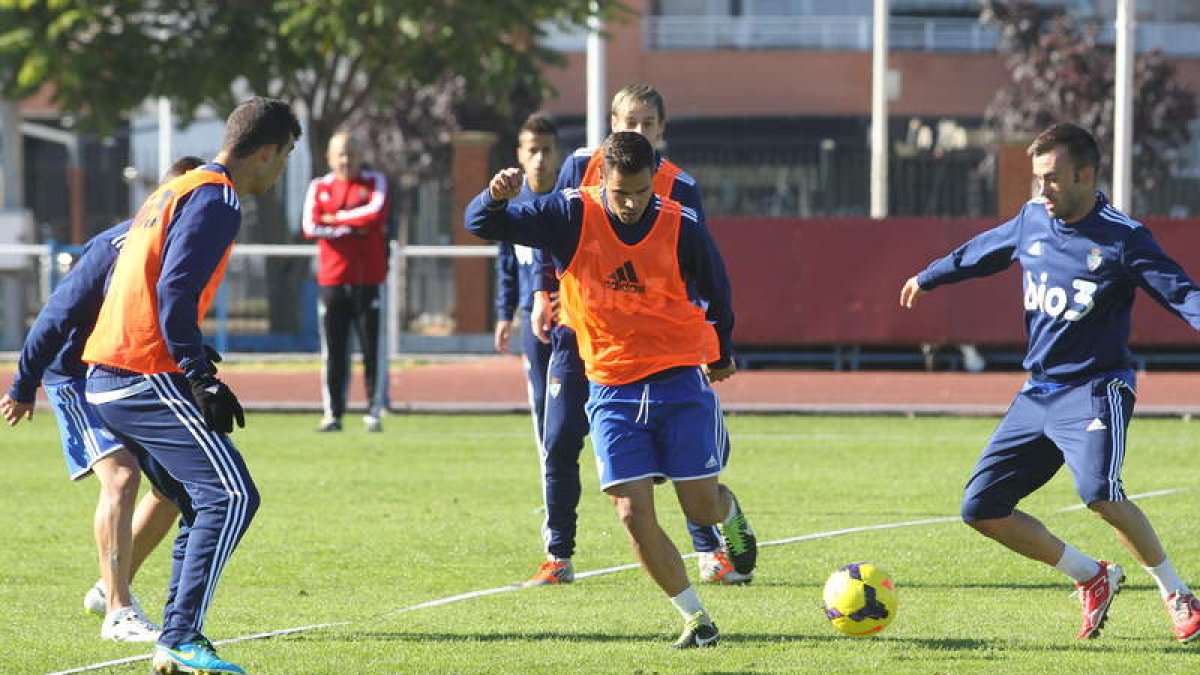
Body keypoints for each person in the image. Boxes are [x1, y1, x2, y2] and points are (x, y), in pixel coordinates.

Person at [899, 122, 1200, 643]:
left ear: (1086, 175)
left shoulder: (1123, 237)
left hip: (1095, 387)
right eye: (1038, 178)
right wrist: (930, 275)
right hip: (1038, 391)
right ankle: (1092, 575)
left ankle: (1176, 592)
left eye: (1054, 178)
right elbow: (983, 250)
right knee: (980, 508)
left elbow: (1181, 294)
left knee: (1098, 491)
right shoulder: (1032, 219)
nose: (1043, 189)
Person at [466, 131, 756, 648]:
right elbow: (480, 223)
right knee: (630, 511)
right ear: (602, 180)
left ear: (652, 183)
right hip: (611, 388)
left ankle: (729, 515)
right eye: (620, 193)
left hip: (677, 379)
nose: (630, 204)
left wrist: (722, 350)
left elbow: (718, 283)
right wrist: (494, 194)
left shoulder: (677, 220)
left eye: (640, 192)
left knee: (700, 508)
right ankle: (696, 618)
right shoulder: (571, 213)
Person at [83, 97, 301, 674]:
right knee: (231, 496)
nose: (279, 174)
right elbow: (173, 294)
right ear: (266, 152)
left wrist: (194, 354)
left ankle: (175, 636)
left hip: (112, 373)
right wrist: (200, 376)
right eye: (283, 160)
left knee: (192, 497)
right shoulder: (217, 197)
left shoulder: (174, 190)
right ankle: (180, 636)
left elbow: (150, 284)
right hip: (141, 373)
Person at [525, 83, 754, 587]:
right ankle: (557, 555)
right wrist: (542, 293)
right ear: (612, 125)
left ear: (661, 132)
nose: (637, 132)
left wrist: (706, 341)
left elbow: (699, 270)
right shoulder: (578, 170)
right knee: (559, 439)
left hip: (653, 348)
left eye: (647, 124)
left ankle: (710, 550)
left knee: (679, 460)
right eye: (629, 123)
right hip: (577, 336)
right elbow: (550, 235)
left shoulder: (680, 188)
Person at [0, 157, 204, 642]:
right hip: (74, 374)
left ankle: (108, 586)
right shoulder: (119, 244)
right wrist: (24, 384)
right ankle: (118, 611)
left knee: (177, 484)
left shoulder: (188, 248)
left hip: (130, 376)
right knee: (122, 475)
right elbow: (56, 314)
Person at [302, 131, 391, 433]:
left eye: (351, 153)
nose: (346, 159)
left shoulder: (375, 183)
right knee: (334, 351)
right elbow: (310, 225)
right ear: (329, 157)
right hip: (332, 281)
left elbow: (374, 214)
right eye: (340, 153)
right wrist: (351, 227)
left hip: (369, 281)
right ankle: (332, 413)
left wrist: (334, 220)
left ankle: (374, 412)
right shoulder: (319, 187)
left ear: (360, 155)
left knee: (372, 350)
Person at [492, 113, 559, 509]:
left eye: (546, 151)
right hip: (531, 321)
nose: (539, 159)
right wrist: (505, 313)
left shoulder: (568, 199)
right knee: (540, 405)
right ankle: (550, 484)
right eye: (532, 151)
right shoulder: (513, 205)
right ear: (520, 153)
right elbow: (506, 261)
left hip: (572, 317)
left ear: (557, 154)